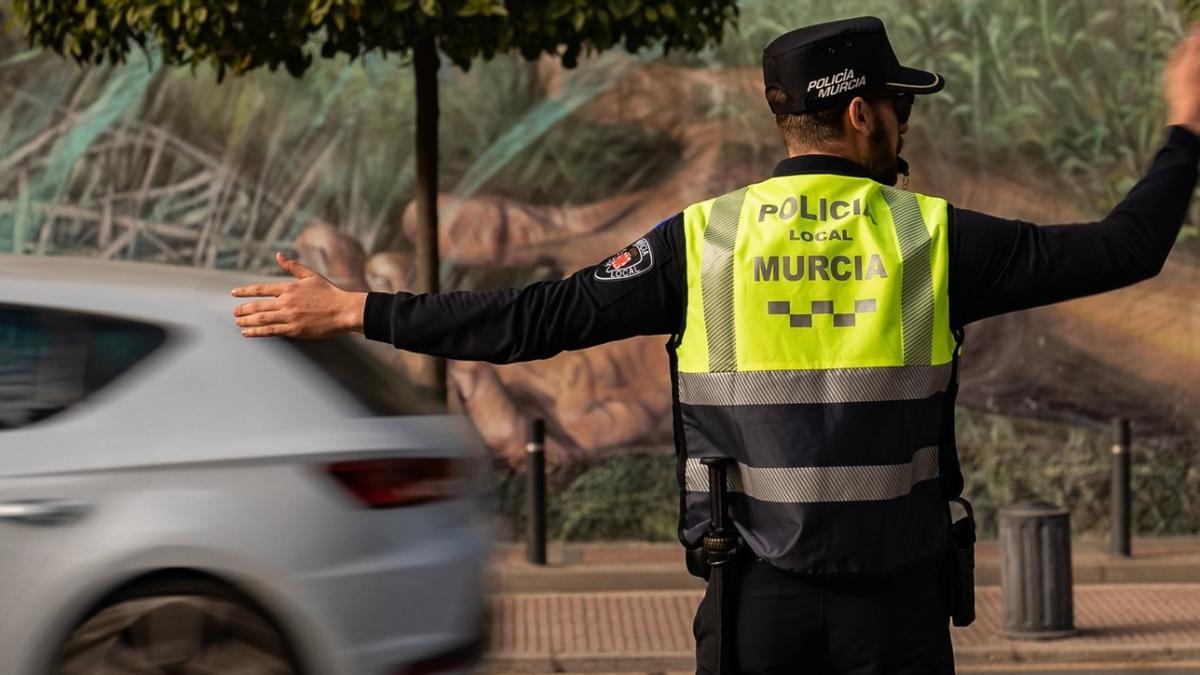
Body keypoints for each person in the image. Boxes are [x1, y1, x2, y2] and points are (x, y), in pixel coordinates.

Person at [232, 16, 1200, 675]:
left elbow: (531, 321)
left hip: (756, 607)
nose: (905, 124)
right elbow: (1129, 246)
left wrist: (360, 312)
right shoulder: (936, 239)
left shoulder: (700, 243)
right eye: (900, 106)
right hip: (896, 612)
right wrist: (1185, 129)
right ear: (863, 114)